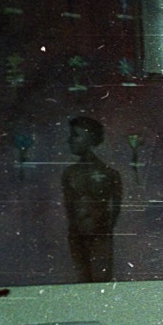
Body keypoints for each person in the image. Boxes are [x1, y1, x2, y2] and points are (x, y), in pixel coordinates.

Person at [62, 115, 123, 282]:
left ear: (90, 138)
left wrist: (103, 229)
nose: (70, 140)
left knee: (100, 278)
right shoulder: (69, 173)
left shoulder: (110, 174)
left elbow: (115, 208)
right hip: (77, 235)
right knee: (82, 278)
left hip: (100, 235)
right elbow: (69, 207)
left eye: (76, 135)